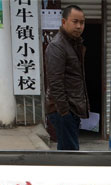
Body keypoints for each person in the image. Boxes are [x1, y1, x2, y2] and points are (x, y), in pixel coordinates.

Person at [44, 5, 89, 150]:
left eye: (82, 22)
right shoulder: (57, 46)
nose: (79, 26)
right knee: (70, 154)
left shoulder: (73, 44)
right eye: (75, 22)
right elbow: (55, 82)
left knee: (67, 153)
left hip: (71, 109)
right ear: (64, 22)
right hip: (62, 110)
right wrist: (64, 112)